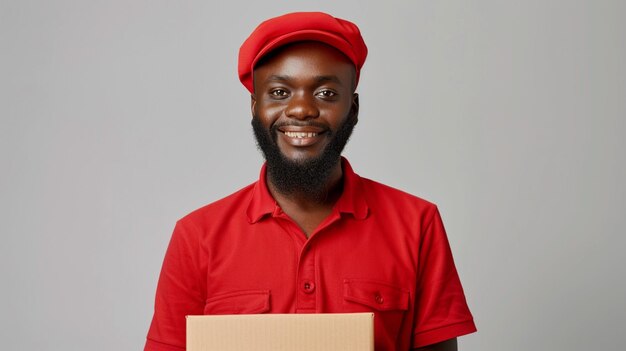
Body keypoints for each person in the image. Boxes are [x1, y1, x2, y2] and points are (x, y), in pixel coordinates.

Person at [144, 11, 476, 351]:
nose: (301, 109)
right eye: (279, 92)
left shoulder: (418, 225)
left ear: (354, 108)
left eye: (327, 94)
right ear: (255, 106)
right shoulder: (196, 237)